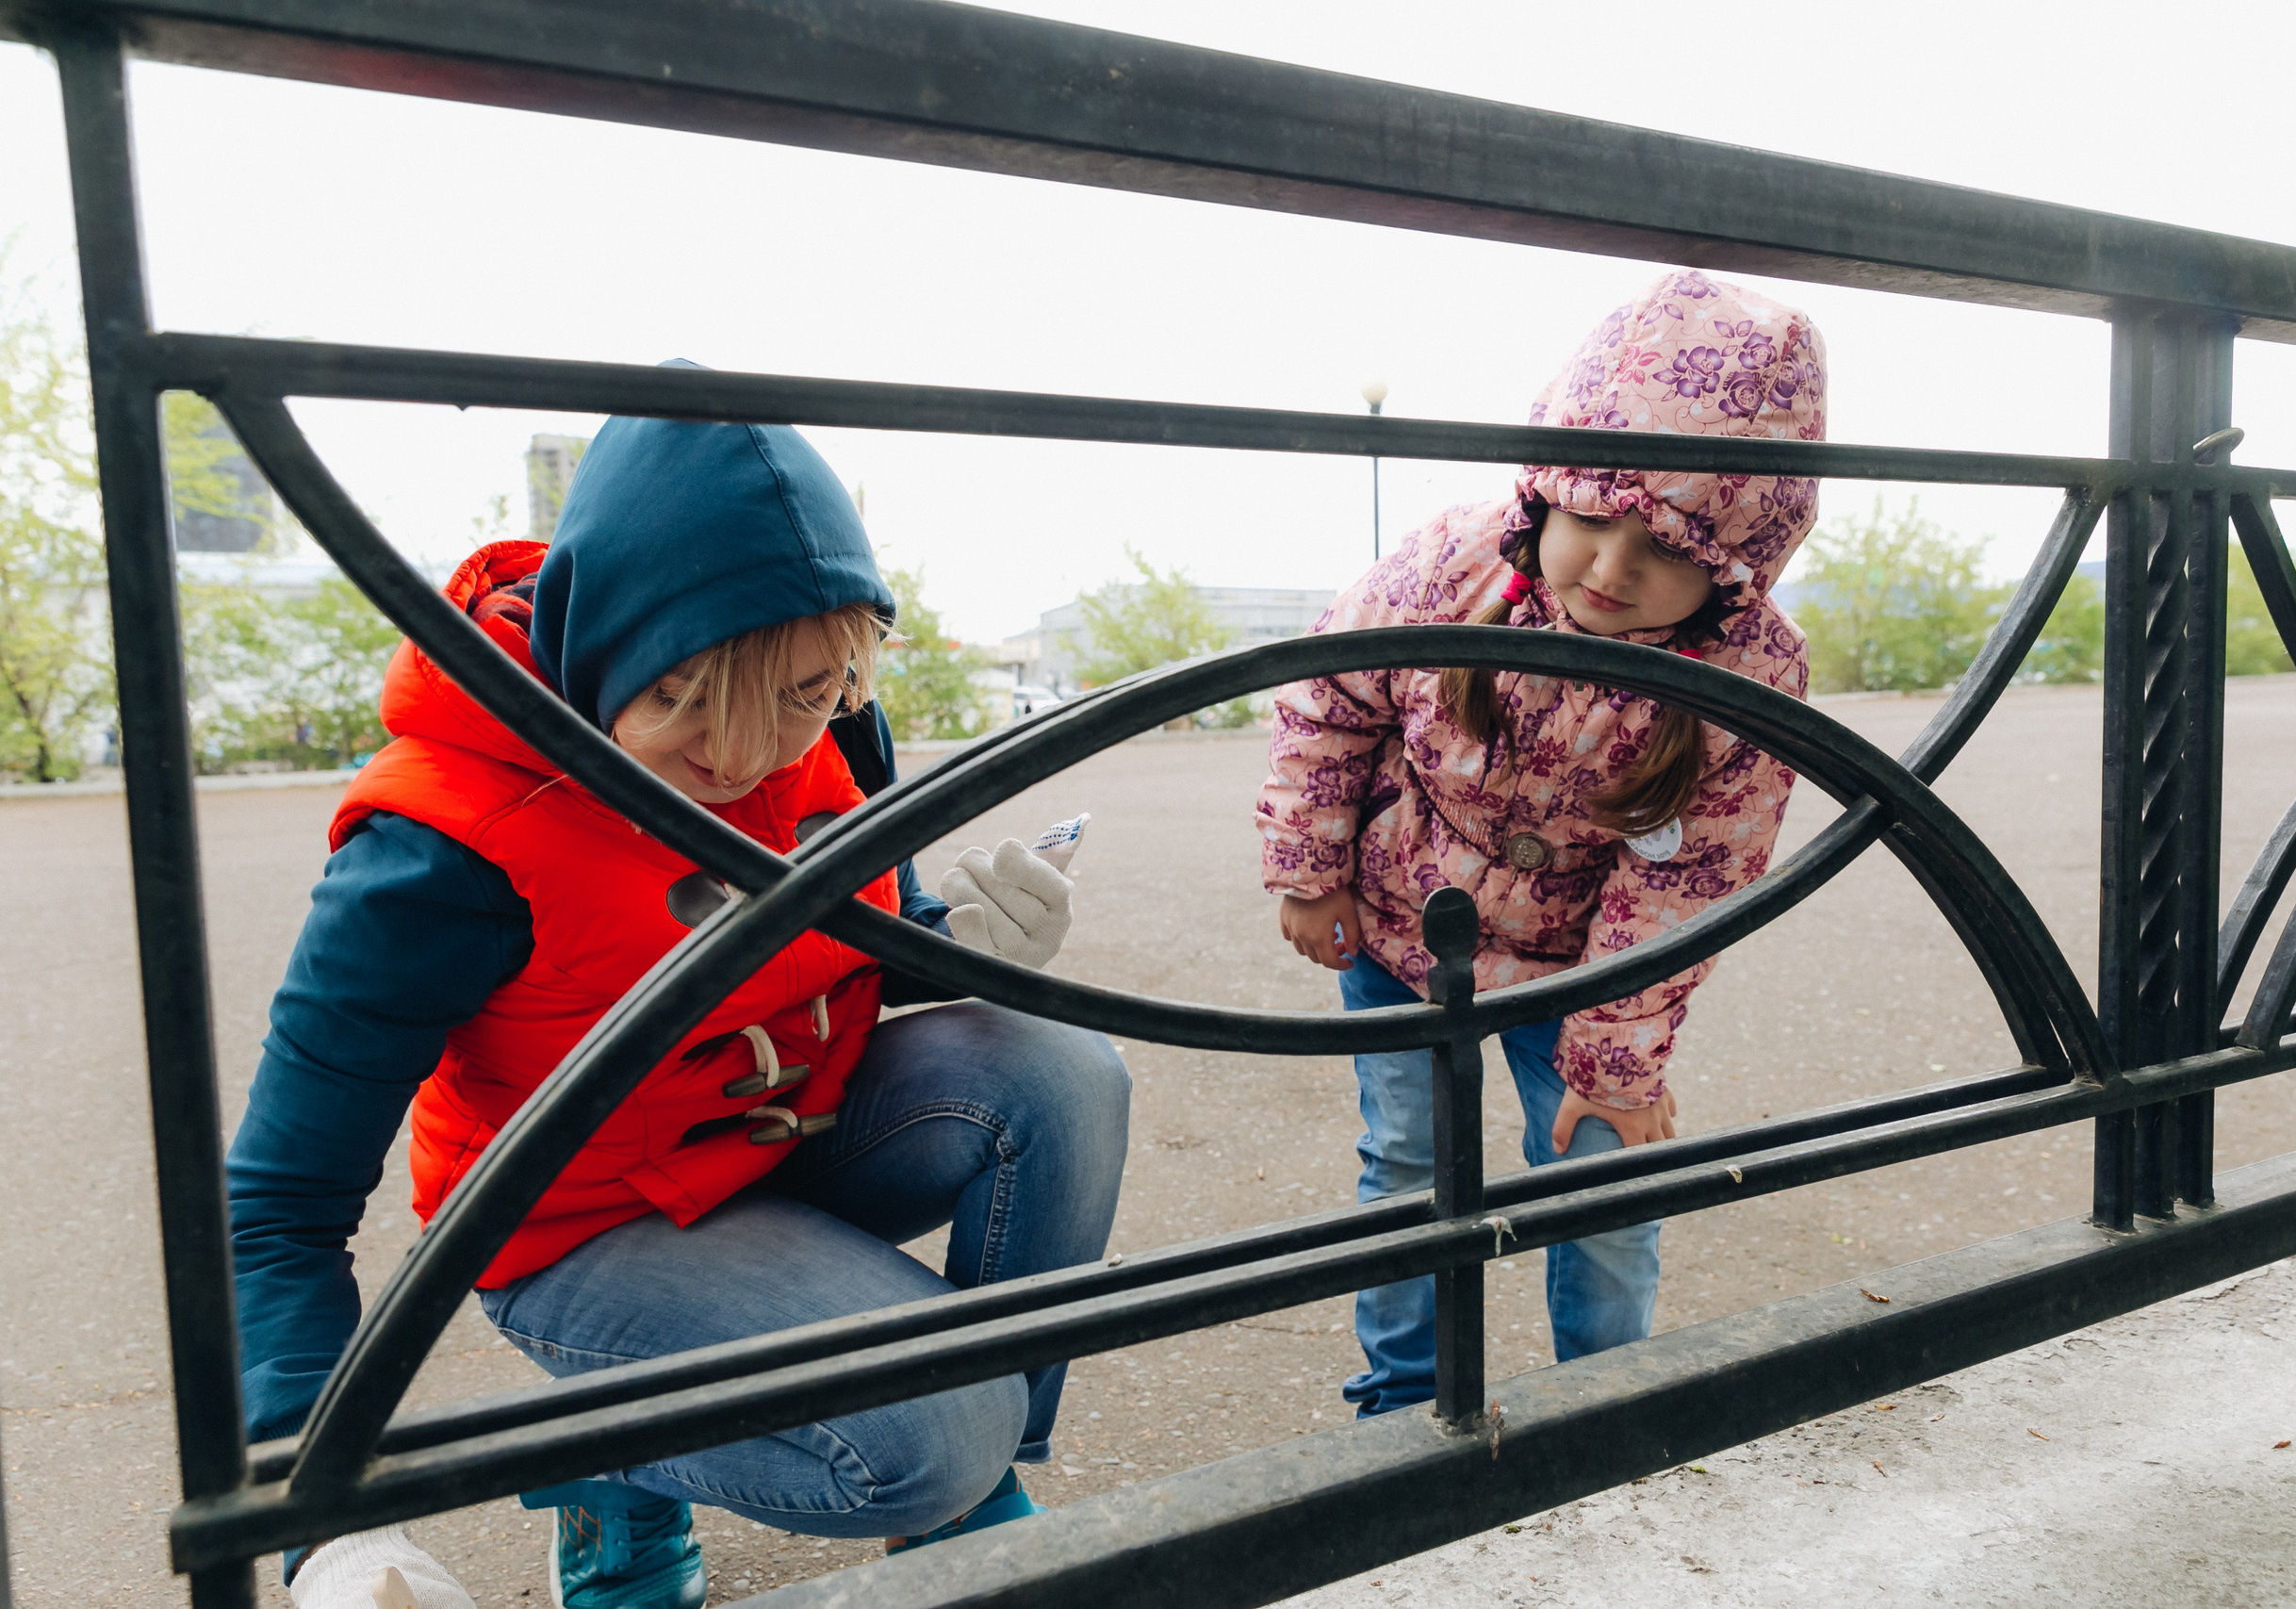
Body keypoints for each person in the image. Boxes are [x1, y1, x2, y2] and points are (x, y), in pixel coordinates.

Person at [227, 390, 1130, 1609]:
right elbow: (280, 1201)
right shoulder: (438, 845)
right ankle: (603, 1445)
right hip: (581, 1225)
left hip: (770, 1137)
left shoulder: (817, 709)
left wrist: (958, 938)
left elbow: (844, 941)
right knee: (938, 1429)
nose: (748, 755)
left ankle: (953, 1492)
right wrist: (322, 1517)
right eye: (686, 702)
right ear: (604, 641)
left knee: (1066, 1069)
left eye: (807, 696)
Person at [1255, 271, 1825, 1417]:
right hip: (1403, 927)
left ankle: (1602, 1408)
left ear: (1734, 565)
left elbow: (1689, 880)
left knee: (1604, 1171)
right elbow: (1330, 699)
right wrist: (1310, 869)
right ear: (1547, 491)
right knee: (1409, 1169)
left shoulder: (1746, 671)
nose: (1610, 573)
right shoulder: (1460, 563)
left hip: (1582, 965)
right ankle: (1403, 1403)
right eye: (1593, 519)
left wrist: (1616, 1061)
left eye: (1662, 551)